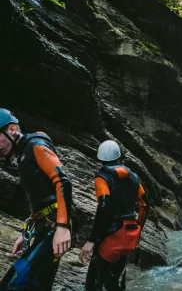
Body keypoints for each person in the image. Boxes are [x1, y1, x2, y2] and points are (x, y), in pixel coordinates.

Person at [0, 108, 72, 290]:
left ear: (12, 130)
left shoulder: (35, 146)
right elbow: (40, 199)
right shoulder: (23, 154)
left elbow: (63, 183)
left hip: (55, 226)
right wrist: (26, 233)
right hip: (44, 226)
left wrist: (62, 227)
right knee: (39, 285)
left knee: (12, 285)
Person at [79, 140, 150, 291]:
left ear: (100, 158)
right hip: (129, 235)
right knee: (112, 282)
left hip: (110, 236)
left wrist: (91, 240)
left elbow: (104, 206)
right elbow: (144, 205)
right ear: (119, 156)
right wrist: (138, 229)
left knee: (94, 283)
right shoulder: (134, 177)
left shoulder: (102, 177)